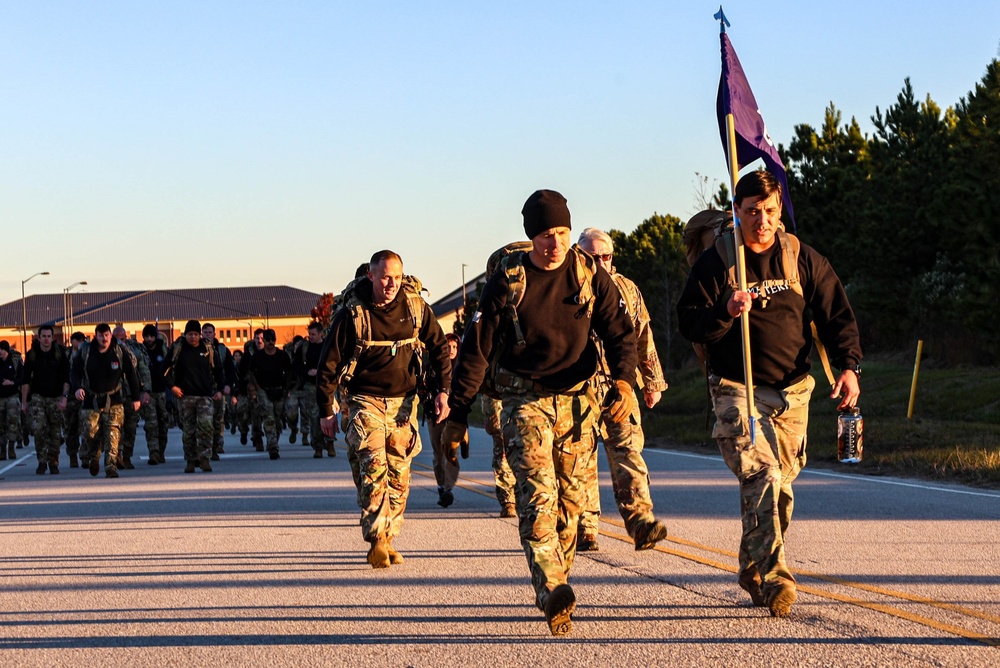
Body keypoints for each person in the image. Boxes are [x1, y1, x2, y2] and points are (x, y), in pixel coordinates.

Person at [444, 189, 638, 636]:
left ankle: (559, 578)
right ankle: (550, 587)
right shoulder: (508, 280)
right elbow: (477, 350)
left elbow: (619, 330)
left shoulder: (587, 272)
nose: (555, 244)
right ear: (532, 237)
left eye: (563, 233)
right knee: (537, 497)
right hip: (523, 401)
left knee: (572, 506)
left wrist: (624, 380)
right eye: (546, 235)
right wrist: (458, 414)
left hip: (576, 401)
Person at [677, 170, 862, 618]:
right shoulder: (721, 260)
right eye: (752, 212)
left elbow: (837, 314)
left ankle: (752, 566)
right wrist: (726, 308)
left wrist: (849, 367)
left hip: (793, 394)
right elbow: (689, 321)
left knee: (781, 490)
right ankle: (778, 574)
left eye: (770, 211)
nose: (762, 221)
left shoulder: (800, 256)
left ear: (780, 210)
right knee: (761, 475)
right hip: (736, 390)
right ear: (737, 212)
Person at [317, 250, 451, 569]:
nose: (391, 284)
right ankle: (377, 539)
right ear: (372, 276)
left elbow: (440, 348)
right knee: (374, 469)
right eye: (385, 277)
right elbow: (328, 364)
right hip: (364, 400)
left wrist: (444, 390)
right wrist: (326, 408)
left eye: (397, 277)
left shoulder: (416, 308)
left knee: (399, 477)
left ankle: (389, 536)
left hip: (404, 403)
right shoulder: (353, 314)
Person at [575, 227, 670, 553]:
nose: (600, 262)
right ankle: (585, 527)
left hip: (620, 386)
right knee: (581, 460)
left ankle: (641, 521)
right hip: (579, 388)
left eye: (606, 256)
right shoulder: (568, 287)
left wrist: (652, 381)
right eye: (593, 257)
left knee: (629, 453)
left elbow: (643, 336)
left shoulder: (628, 290)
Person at [70, 324, 142, 478]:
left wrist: (136, 398)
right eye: (101, 335)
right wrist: (77, 388)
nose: (104, 339)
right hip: (91, 399)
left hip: (114, 399)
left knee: (113, 434)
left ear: (111, 335)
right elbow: (75, 372)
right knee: (90, 434)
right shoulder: (86, 351)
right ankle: (94, 457)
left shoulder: (119, 351)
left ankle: (111, 466)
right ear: (96, 336)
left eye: (107, 335)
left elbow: (131, 375)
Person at [165, 320, 225, 473]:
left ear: (199, 335)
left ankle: (204, 458)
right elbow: (163, 371)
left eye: (195, 334)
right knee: (188, 430)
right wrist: (172, 387)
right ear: (185, 335)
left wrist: (220, 390)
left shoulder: (208, 349)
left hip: (205, 395)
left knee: (206, 427)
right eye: (190, 334)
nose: (193, 337)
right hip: (185, 396)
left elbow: (219, 370)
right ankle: (191, 460)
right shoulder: (178, 349)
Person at [21, 325, 70, 474]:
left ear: (52, 338)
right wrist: (24, 402)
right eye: (44, 336)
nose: (46, 339)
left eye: (49, 336)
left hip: (56, 397)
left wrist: (64, 398)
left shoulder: (60, 353)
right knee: (38, 429)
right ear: (39, 337)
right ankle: (42, 461)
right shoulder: (32, 354)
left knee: (55, 432)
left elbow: (67, 379)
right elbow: (25, 380)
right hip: (38, 397)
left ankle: (53, 461)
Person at [423, 332, 461, 507]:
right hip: (435, 415)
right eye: (448, 346)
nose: (451, 350)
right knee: (438, 454)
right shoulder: (433, 366)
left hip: (454, 417)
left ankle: (448, 489)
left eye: (454, 347)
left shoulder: (462, 368)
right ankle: (440, 485)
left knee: (451, 452)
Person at [247, 328, 292, 460]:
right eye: (268, 340)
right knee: (269, 419)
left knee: (277, 420)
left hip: (279, 390)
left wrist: (286, 388)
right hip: (264, 391)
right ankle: (272, 447)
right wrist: (257, 387)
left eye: (273, 340)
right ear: (264, 340)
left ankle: (274, 440)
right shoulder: (258, 356)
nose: (270, 342)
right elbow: (251, 372)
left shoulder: (282, 356)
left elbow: (289, 372)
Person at [113, 326, 152, 469]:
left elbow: (144, 370)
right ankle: (116, 455)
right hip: (114, 395)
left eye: (122, 339)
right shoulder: (107, 350)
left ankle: (127, 457)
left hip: (130, 394)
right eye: (116, 338)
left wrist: (146, 390)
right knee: (115, 428)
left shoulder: (134, 351)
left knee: (130, 428)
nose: (119, 342)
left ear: (126, 337)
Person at [293, 322, 334, 458]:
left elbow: (335, 364)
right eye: (309, 334)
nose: (310, 336)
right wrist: (307, 371)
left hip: (326, 385)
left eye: (313, 334)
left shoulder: (328, 346)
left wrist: (321, 372)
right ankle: (318, 446)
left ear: (320, 333)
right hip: (310, 386)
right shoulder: (303, 348)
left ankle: (330, 443)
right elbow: (296, 366)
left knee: (328, 414)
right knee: (314, 417)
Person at [201, 323, 236, 461]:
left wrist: (228, 386)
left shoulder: (222, 350)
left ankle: (217, 445)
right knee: (204, 421)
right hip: (202, 389)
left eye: (210, 332)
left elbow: (230, 369)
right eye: (205, 332)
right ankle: (206, 447)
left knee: (218, 419)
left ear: (215, 334)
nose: (207, 335)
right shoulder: (197, 348)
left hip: (218, 389)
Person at [141, 324, 171, 464]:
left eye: (152, 336)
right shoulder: (142, 351)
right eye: (147, 336)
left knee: (163, 423)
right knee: (151, 424)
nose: (149, 339)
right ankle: (153, 453)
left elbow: (170, 368)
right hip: (149, 393)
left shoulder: (163, 350)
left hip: (163, 391)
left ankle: (161, 451)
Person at [63, 332, 87, 468]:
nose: (79, 343)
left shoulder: (86, 354)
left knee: (85, 427)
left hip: (84, 394)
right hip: (70, 395)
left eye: (82, 340)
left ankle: (85, 456)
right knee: (70, 428)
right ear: (71, 341)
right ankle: (73, 455)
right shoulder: (66, 355)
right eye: (77, 340)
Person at [0, 341, 25, 461]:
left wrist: (12, 382)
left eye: (2, 349)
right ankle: (2, 449)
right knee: (1, 425)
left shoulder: (14, 361)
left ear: (6, 350)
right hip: (0, 397)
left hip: (12, 396)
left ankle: (11, 448)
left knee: (13, 423)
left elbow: (22, 377)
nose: (0, 351)